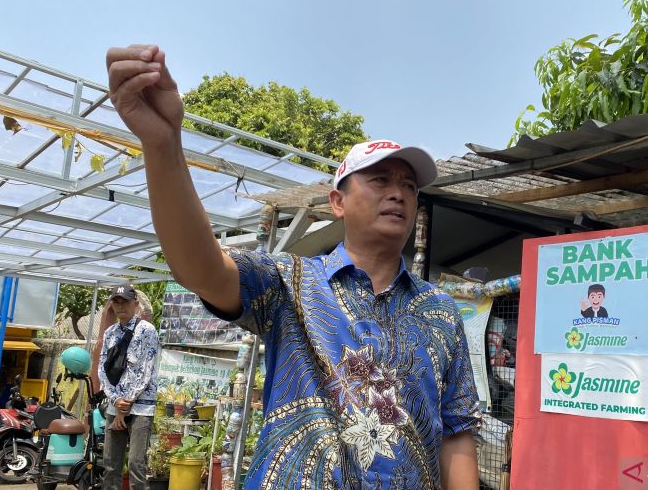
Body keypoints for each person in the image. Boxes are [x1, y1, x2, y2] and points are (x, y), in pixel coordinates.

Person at [106, 45, 480, 489]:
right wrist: (163, 144)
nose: (398, 193)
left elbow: (456, 433)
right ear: (338, 202)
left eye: (409, 185)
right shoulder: (291, 282)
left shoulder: (439, 311)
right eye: (379, 180)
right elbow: (199, 269)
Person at [97, 284, 159, 490]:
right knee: (110, 465)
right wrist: (115, 400)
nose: (120, 305)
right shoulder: (110, 333)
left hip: (140, 405)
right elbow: (102, 370)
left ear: (135, 304)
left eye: (125, 301)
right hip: (116, 404)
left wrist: (126, 403)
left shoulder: (146, 331)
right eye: (116, 301)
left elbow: (144, 370)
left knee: (136, 464)